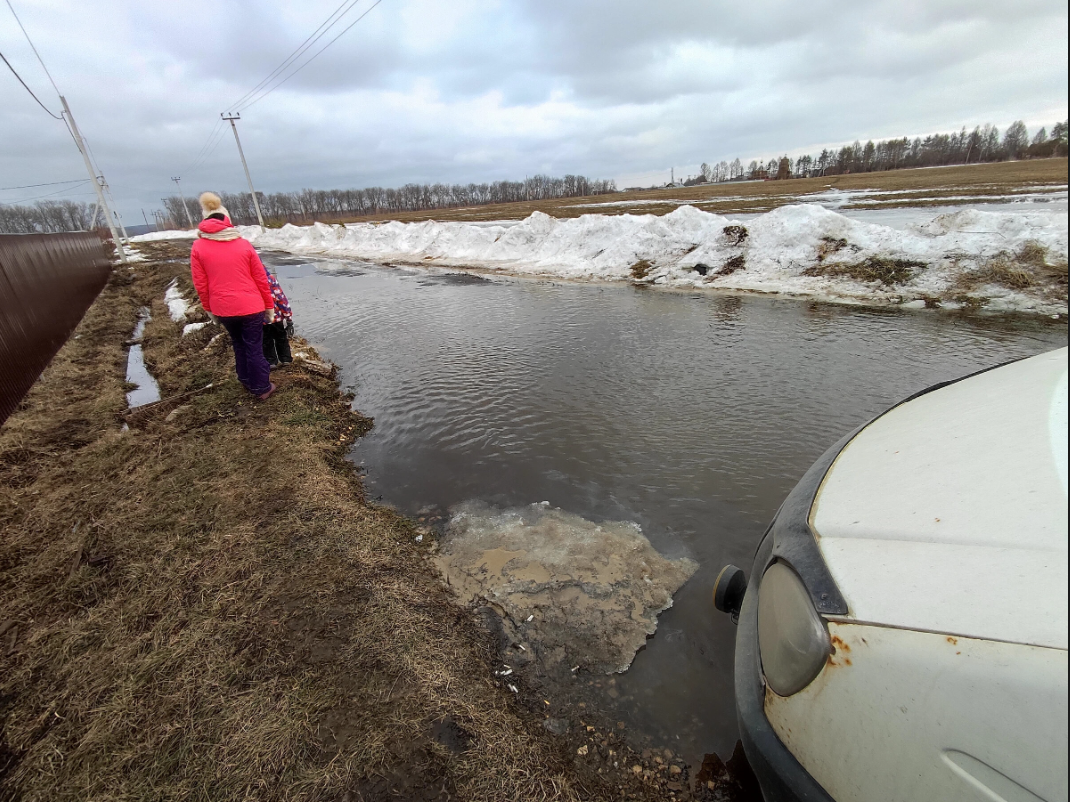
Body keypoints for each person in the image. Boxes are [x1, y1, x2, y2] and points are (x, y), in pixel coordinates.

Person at [189, 192, 277, 400]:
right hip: (251, 306)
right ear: (227, 220)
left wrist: (209, 309)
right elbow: (261, 279)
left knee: (238, 343)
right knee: (254, 346)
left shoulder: (198, 247)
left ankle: (246, 379)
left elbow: (201, 284)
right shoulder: (243, 244)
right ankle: (262, 388)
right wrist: (269, 306)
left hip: (223, 308)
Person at [262, 267, 294, 367]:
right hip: (276, 317)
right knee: (281, 338)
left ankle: (271, 362)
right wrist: (288, 317)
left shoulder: (248, 281)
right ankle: (286, 359)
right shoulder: (270, 279)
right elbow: (281, 299)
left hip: (261, 319)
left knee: (266, 340)